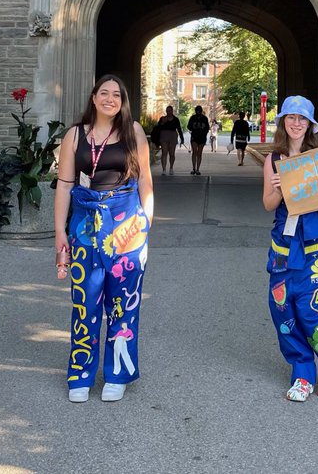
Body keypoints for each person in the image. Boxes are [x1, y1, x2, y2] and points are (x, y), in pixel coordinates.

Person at [54, 74, 154, 403]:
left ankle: (117, 373)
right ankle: (81, 372)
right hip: (85, 223)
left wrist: (146, 227)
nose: (110, 99)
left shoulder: (133, 132)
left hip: (126, 222)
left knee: (122, 303)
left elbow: (145, 183)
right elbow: (66, 184)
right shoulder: (74, 136)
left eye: (117, 95)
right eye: (104, 93)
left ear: (123, 102)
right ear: (94, 98)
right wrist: (59, 232)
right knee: (85, 300)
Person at [262, 95, 318, 402]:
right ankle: (301, 372)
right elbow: (268, 204)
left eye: (302, 119)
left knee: (315, 312)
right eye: (291, 118)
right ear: (283, 122)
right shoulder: (274, 159)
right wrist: (280, 187)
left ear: (310, 125)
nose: (296, 123)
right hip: (283, 246)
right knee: (283, 311)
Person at [153, 105, 185, 176]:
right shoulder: (162, 118)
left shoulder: (176, 119)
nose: (168, 112)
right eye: (167, 111)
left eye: (169, 111)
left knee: (172, 153)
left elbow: (179, 129)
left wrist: (182, 138)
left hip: (172, 136)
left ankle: (171, 168)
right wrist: (162, 123)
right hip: (164, 136)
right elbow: (158, 128)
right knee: (164, 152)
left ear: (172, 111)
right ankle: (164, 169)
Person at [186, 105, 210, 176]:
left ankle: (197, 169)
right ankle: (194, 168)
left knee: (199, 153)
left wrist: (203, 133)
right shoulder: (193, 118)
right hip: (195, 137)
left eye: (199, 111)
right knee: (195, 152)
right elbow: (189, 126)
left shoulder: (204, 118)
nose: (198, 112)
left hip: (201, 137)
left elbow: (207, 128)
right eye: (197, 111)